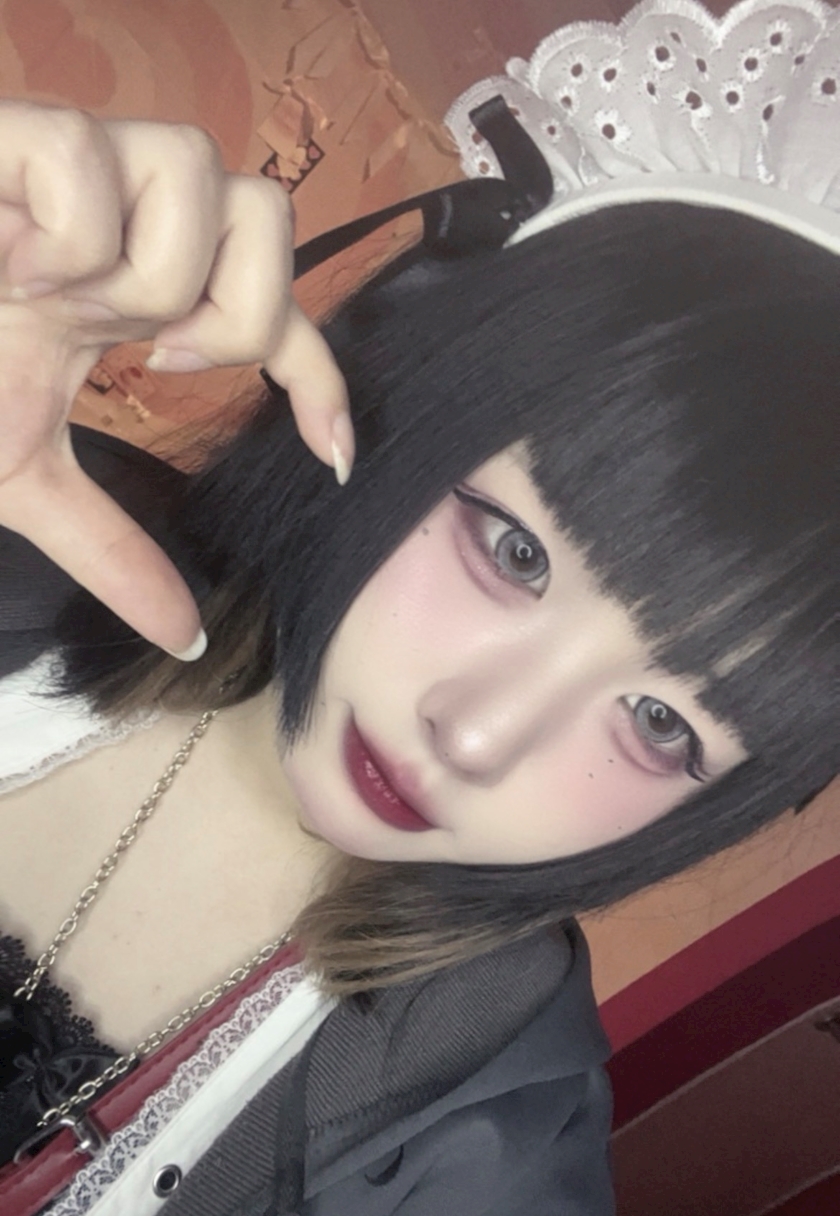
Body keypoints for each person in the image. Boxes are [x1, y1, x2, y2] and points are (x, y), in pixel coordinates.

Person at [0, 1, 837, 1213]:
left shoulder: (485, 1136)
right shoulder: (39, 523)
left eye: (664, 725)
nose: (478, 734)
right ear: (415, 399)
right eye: (516, 552)